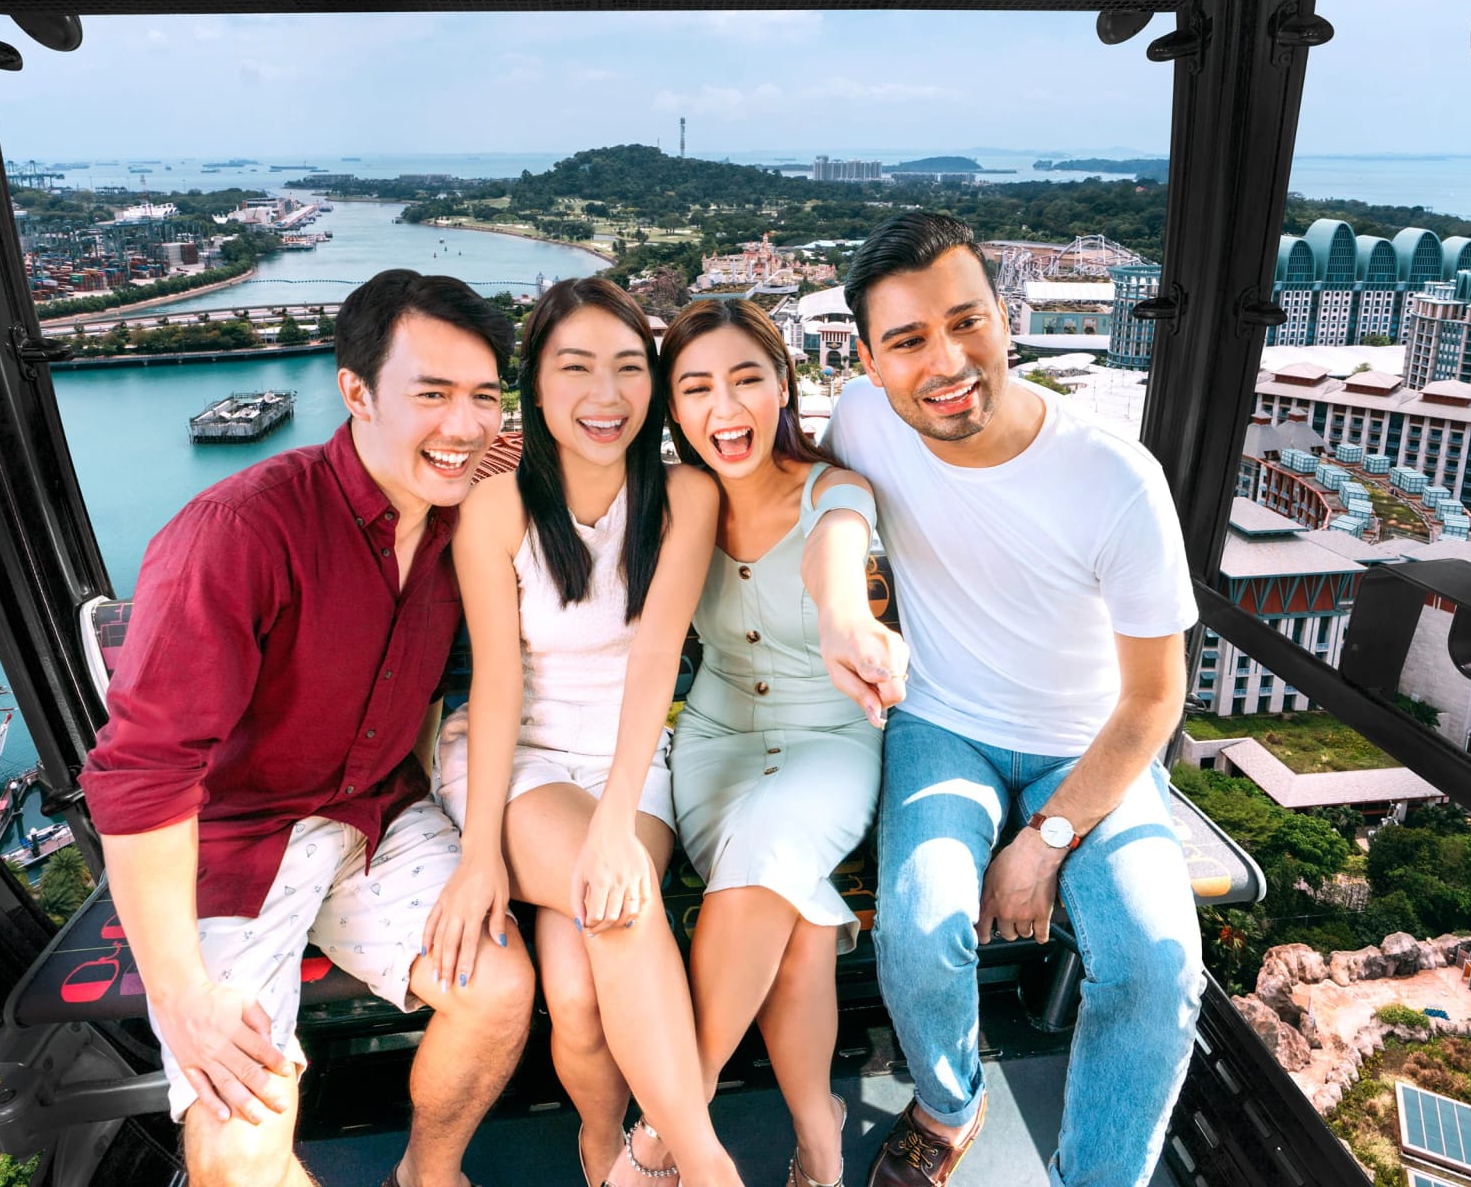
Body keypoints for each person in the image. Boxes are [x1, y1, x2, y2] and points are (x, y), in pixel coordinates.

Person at [79, 270, 536, 1187]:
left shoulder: (460, 513)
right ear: (356, 391)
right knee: (242, 1127)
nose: (464, 422)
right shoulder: (239, 532)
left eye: (484, 396)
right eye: (432, 392)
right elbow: (143, 773)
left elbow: (558, 446)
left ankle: (429, 1174)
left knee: (497, 993)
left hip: (373, 812)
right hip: (237, 835)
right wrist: (180, 997)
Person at [824, 212, 1204, 1187]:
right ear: (868, 360)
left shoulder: (1114, 479)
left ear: (1009, 318)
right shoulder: (863, 421)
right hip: (944, 723)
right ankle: (951, 1102)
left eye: (968, 322)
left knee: (1158, 965)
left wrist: (1047, 839)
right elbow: (803, 491)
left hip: (1095, 745)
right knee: (917, 921)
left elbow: (1157, 697)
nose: (946, 361)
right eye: (908, 339)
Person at [426, 277, 744, 1187]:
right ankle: (705, 1164)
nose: (605, 397)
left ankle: (604, 1154)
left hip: (632, 760)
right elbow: (494, 683)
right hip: (518, 761)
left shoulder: (686, 497)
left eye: (627, 369)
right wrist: (481, 849)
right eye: (575, 369)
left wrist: (612, 821)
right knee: (626, 906)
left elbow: (655, 665)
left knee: (577, 994)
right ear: (535, 386)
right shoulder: (496, 511)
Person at [621, 298, 906, 1187]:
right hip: (712, 741)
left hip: (828, 742)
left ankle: (669, 1131)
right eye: (696, 387)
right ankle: (818, 1133)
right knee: (800, 921)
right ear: (673, 408)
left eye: (747, 379)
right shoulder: (678, 503)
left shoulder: (834, 490)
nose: (725, 408)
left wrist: (849, 625)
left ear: (783, 386)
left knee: (770, 857)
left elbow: (838, 561)